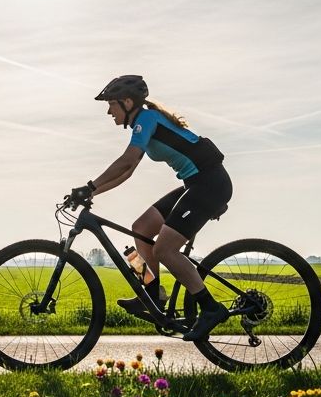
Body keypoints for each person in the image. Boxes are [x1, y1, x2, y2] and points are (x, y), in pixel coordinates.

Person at [67, 75, 233, 341]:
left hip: (210, 184)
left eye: (111, 104)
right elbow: (128, 171)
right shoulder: (143, 123)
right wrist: (92, 192)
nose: (109, 111)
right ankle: (153, 293)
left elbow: (127, 160)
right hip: (196, 183)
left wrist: (89, 186)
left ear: (128, 102)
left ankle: (211, 309)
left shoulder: (146, 119)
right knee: (140, 228)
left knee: (164, 249)